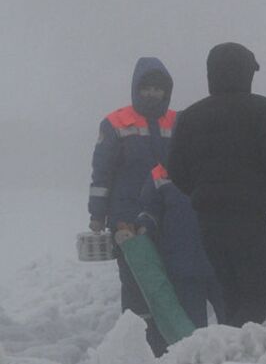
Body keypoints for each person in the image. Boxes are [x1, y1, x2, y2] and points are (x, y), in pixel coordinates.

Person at [167, 42, 266, 328]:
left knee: (230, 292)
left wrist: (202, 192)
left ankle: (228, 350)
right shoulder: (261, 109)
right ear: (246, 74)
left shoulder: (190, 116)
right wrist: (265, 192)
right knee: (256, 295)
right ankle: (241, 352)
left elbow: (176, 168)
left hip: (209, 218)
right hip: (250, 215)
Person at [87, 57, 176, 355]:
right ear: (136, 89)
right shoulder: (115, 123)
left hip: (169, 218)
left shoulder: (178, 122)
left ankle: (168, 343)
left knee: (167, 280)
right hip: (126, 220)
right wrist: (97, 215)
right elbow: (102, 174)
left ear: (167, 91)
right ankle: (138, 345)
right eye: (146, 88)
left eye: (158, 89)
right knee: (136, 282)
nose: (152, 94)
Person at [136, 163, 225, 332]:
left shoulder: (225, 165)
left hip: (222, 267)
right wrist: (144, 225)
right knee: (191, 333)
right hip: (183, 269)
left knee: (235, 331)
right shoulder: (161, 172)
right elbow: (149, 209)